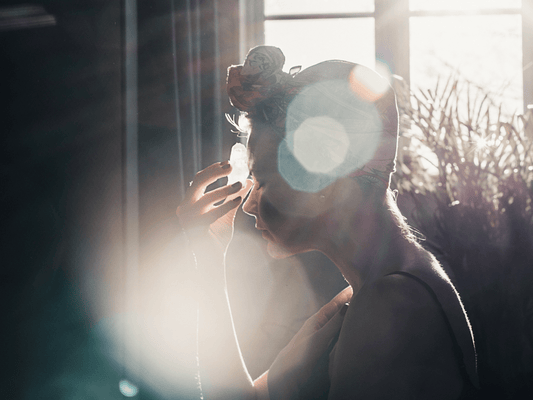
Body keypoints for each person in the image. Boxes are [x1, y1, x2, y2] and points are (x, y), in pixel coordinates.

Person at [176, 46, 479, 400]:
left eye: (264, 182)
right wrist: (210, 260)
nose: (249, 205)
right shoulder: (366, 294)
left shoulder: (391, 306)